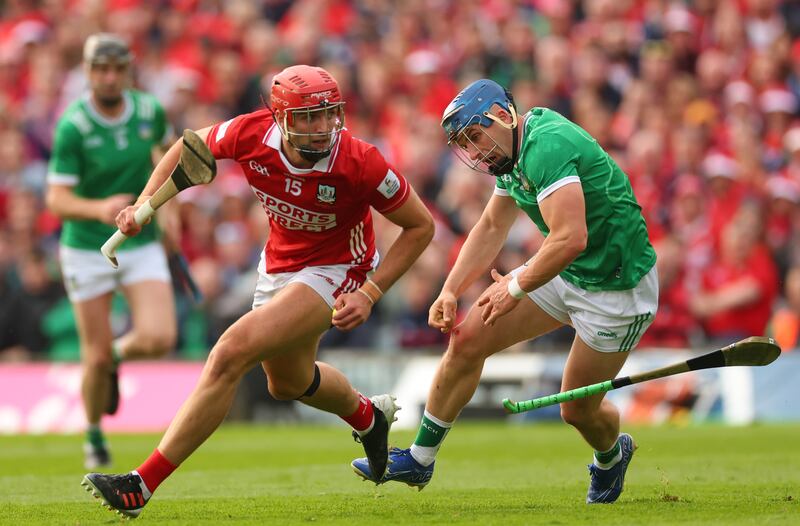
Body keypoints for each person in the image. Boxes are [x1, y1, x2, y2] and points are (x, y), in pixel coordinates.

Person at [81, 65, 434, 519]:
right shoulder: (250, 133)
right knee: (287, 383)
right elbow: (188, 148)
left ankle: (141, 483)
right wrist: (144, 203)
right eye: (309, 117)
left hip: (337, 268)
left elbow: (420, 226)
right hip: (278, 265)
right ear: (281, 119)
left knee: (230, 351)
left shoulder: (360, 161)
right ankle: (369, 416)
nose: (323, 127)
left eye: (329, 115)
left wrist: (370, 291)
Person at [352, 79, 658, 504]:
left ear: (502, 116)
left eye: (476, 137)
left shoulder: (546, 145)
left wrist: (514, 286)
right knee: (467, 339)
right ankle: (420, 459)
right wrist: (451, 289)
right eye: (466, 144)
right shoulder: (511, 155)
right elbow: (493, 226)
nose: (475, 152)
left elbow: (571, 238)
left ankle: (611, 456)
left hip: (616, 288)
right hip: (565, 273)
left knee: (578, 411)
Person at [46, 33, 178, 470]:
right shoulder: (73, 126)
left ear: (128, 70)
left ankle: (117, 358)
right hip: (86, 247)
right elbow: (57, 200)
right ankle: (93, 434)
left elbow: (167, 162)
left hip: (140, 239)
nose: (108, 77)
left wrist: (171, 216)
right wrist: (98, 207)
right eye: (99, 69)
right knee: (93, 354)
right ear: (87, 72)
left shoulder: (148, 111)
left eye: (116, 69)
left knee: (160, 337)